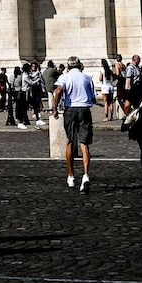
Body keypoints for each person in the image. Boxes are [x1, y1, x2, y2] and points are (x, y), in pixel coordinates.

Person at [54, 56, 100, 192]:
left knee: (70, 141)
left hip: (71, 109)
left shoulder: (64, 77)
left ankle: (71, 175)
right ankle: (85, 175)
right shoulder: (87, 78)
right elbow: (93, 97)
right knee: (84, 143)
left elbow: (58, 91)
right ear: (79, 65)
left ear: (68, 66)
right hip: (85, 109)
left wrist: (55, 108)